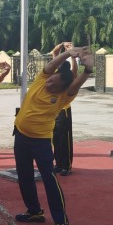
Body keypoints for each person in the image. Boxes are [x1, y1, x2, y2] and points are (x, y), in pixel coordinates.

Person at [14, 46, 94, 225]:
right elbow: (51, 65)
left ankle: (62, 222)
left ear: (61, 90)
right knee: (24, 176)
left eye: (54, 85)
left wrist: (88, 70)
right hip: (21, 136)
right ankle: (34, 211)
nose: (49, 84)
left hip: (40, 142)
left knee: (49, 179)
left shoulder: (63, 97)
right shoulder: (42, 79)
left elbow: (75, 85)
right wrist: (68, 53)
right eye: (50, 80)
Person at [50, 42, 83, 175]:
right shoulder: (55, 76)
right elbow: (54, 53)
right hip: (54, 111)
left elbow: (75, 70)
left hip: (64, 111)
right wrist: (61, 45)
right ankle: (58, 164)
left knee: (65, 139)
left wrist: (73, 54)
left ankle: (66, 165)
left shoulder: (69, 77)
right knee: (55, 139)